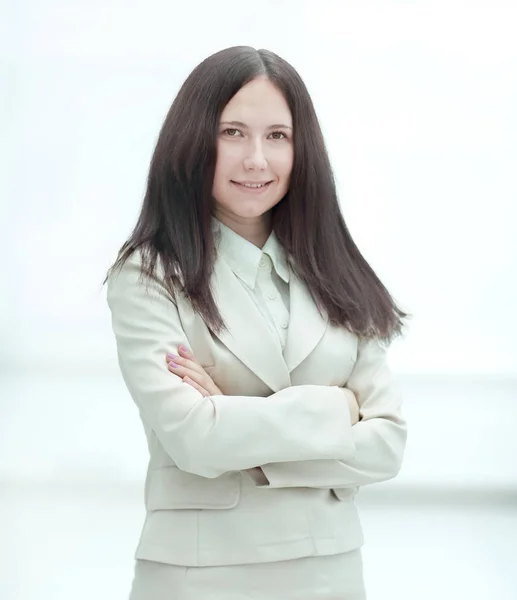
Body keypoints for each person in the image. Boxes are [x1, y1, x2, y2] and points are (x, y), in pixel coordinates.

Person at [104, 45, 409, 600]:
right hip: (201, 573)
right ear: (193, 140)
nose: (256, 160)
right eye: (232, 133)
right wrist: (336, 409)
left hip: (328, 570)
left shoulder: (335, 271)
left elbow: (387, 444)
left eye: (277, 136)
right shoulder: (149, 274)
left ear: (302, 149)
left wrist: (235, 418)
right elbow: (195, 440)